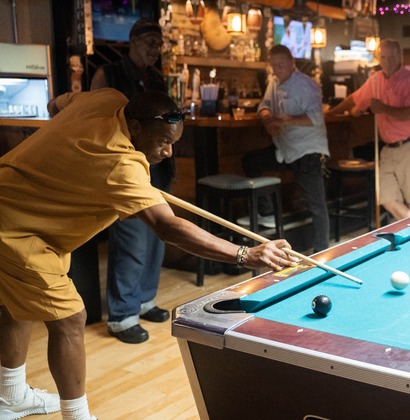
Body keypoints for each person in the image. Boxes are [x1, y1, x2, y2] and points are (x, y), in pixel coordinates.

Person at [0, 88, 296, 420]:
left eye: (174, 142)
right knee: (69, 320)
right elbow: (169, 227)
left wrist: (68, 150)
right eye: (162, 143)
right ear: (136, 128)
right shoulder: (121, 166)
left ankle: (10, 397)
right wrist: (247, 254)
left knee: (17, 306)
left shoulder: (106, 99)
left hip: (18, 207)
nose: (169, 152)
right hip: (16, 230)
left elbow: (57, 103)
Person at [90, 19, 175, 344]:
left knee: (156, 237)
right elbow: (98, 117)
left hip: (156, 164)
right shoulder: (109, 73)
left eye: (159, 43)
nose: (155, 48)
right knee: (130, 239)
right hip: (125, 164)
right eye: (149, 41)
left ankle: (144, 300)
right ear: (132, 41)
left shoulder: (156, 77)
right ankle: (122, 315)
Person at [326, 39, 410, 221]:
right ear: (378, 58)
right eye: (383, 57)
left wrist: (383, 109)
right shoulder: (375, 80)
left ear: (400, 57)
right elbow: (355, 99)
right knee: (386, 198)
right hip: (388, 148)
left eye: (391, 57)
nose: (387, 61)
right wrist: (330, 113)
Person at [255, 45, 330, 253]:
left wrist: (287, 120)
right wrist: (267, 119)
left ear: (292, 63)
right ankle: (267, 213)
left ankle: (323, 251)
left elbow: (315, 118)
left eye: (281, 65)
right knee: (251, 162)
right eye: (274, 66)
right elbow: (263, 106)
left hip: (309, 151)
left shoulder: (307, 86)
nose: (277, 69)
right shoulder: (274, 82)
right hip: (285, 150)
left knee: (317, 205)